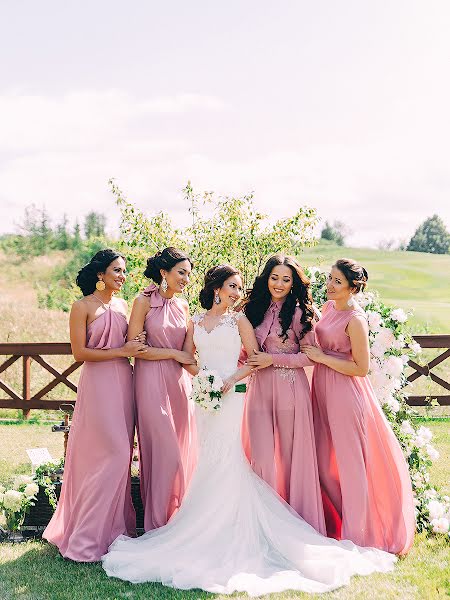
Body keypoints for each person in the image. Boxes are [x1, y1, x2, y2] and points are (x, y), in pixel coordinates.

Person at [102, 264, 396, 596]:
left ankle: (274, 526)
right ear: (216, 288)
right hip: (207, 400)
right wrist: (204, 381)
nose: (236, 293)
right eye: (231, 287)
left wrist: (226, 381)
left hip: (236, 397)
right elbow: (189, 357)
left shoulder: (242, 319)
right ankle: (206, 528)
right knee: (210, 462)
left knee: (236, 461)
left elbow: (253, 358)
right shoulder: (196, 320)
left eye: (239, 288)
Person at [302, 258, 415, 554]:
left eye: (337, 282)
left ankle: (361, 535)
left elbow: (361, 367)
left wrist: (321, 357)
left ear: (353, 288)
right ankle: (342, 523)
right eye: (329, 278)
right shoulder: (328, 308)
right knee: (325, 468)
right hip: (322, 389)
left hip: (345, 392)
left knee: (351, 466)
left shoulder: (356, 319)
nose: (329, 285)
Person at [43, 249, 147, 562]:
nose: (122, 276)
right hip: (98, 384)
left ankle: (114, 533)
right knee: (109, 455)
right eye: (116, 270)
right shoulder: (82, 306)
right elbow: (80, 353)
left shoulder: (123, 304)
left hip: (124, 382)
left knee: (121, 455)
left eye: (124, 271)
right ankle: (86, 537)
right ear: (100, 274)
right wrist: (122, 351)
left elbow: (133, 342)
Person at [242, 254, 325, 534]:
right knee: (261, 457)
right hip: (259, 389)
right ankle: (264, 524)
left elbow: (311, 358)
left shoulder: (301, 312)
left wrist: (274, 360)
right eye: (274, 277)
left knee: (291, 458)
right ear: (266, 278)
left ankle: (296, 525)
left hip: (291, 389)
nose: (278, 283)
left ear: (294, 283)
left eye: (286, 279)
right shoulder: (253, 309)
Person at [127, 247, 197, 531]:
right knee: (163, 453)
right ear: (163, 272)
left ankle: (179, 522)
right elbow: (135, 348)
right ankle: (157, 524)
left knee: (181, 451)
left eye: (189, 274)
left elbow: (189, 353)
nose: (186, 279)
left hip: (180, 384)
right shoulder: (142, 302)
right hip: (150, 382)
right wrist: (174, 355)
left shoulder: (183, 306)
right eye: (181, 272)